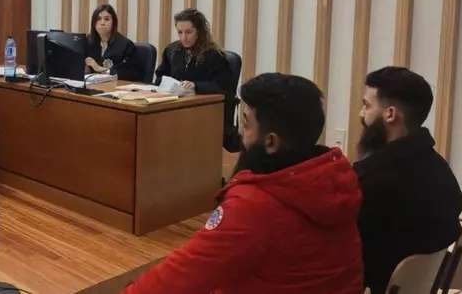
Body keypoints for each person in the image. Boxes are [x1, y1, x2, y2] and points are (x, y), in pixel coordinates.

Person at [123, 73, 364, 294]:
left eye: (246, 123)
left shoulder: (255, 206)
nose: (240, 132)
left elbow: (182, 275)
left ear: (271, 142)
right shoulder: (334, 177)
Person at [355, 66, 462, 294]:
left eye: (367, 105)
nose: (361, 114)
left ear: (390, 114)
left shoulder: (369, 183)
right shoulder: (440, 170)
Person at [155, 8, 239, 150]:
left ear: (199, 31)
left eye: (189, 32)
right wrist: (169, 84)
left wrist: (195, 85)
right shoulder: (172, 50)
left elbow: (224, 87)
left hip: (203, 112)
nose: (183, 38)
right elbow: (160, 77)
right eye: (180, 32)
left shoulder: (213, 55)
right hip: (174, 106)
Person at [83, 4, 141, 82]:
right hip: (91, 85)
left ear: (113, 23)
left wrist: (101, 69)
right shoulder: (89, 41)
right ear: (93, 23)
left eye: (107, 19)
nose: (102, 23)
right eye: (98, 19)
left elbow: (133, 73)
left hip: (115, 86)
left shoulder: (125, 45)